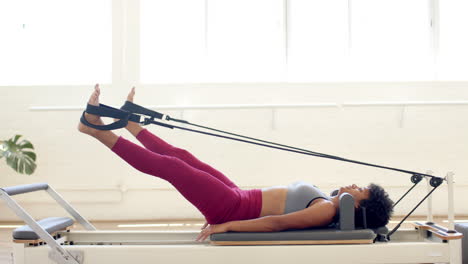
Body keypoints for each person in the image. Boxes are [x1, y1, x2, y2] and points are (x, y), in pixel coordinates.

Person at [78, 84, 394, 242]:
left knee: (173, 168)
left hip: (232, 206)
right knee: (182, 158)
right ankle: (129, 122)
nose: (355, 185)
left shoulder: (327, 209)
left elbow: (277, 224)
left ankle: (94, 128)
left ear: (359, 205)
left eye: (361, 190)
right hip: (237, 195)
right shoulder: (326, 203)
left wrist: (227, 225)